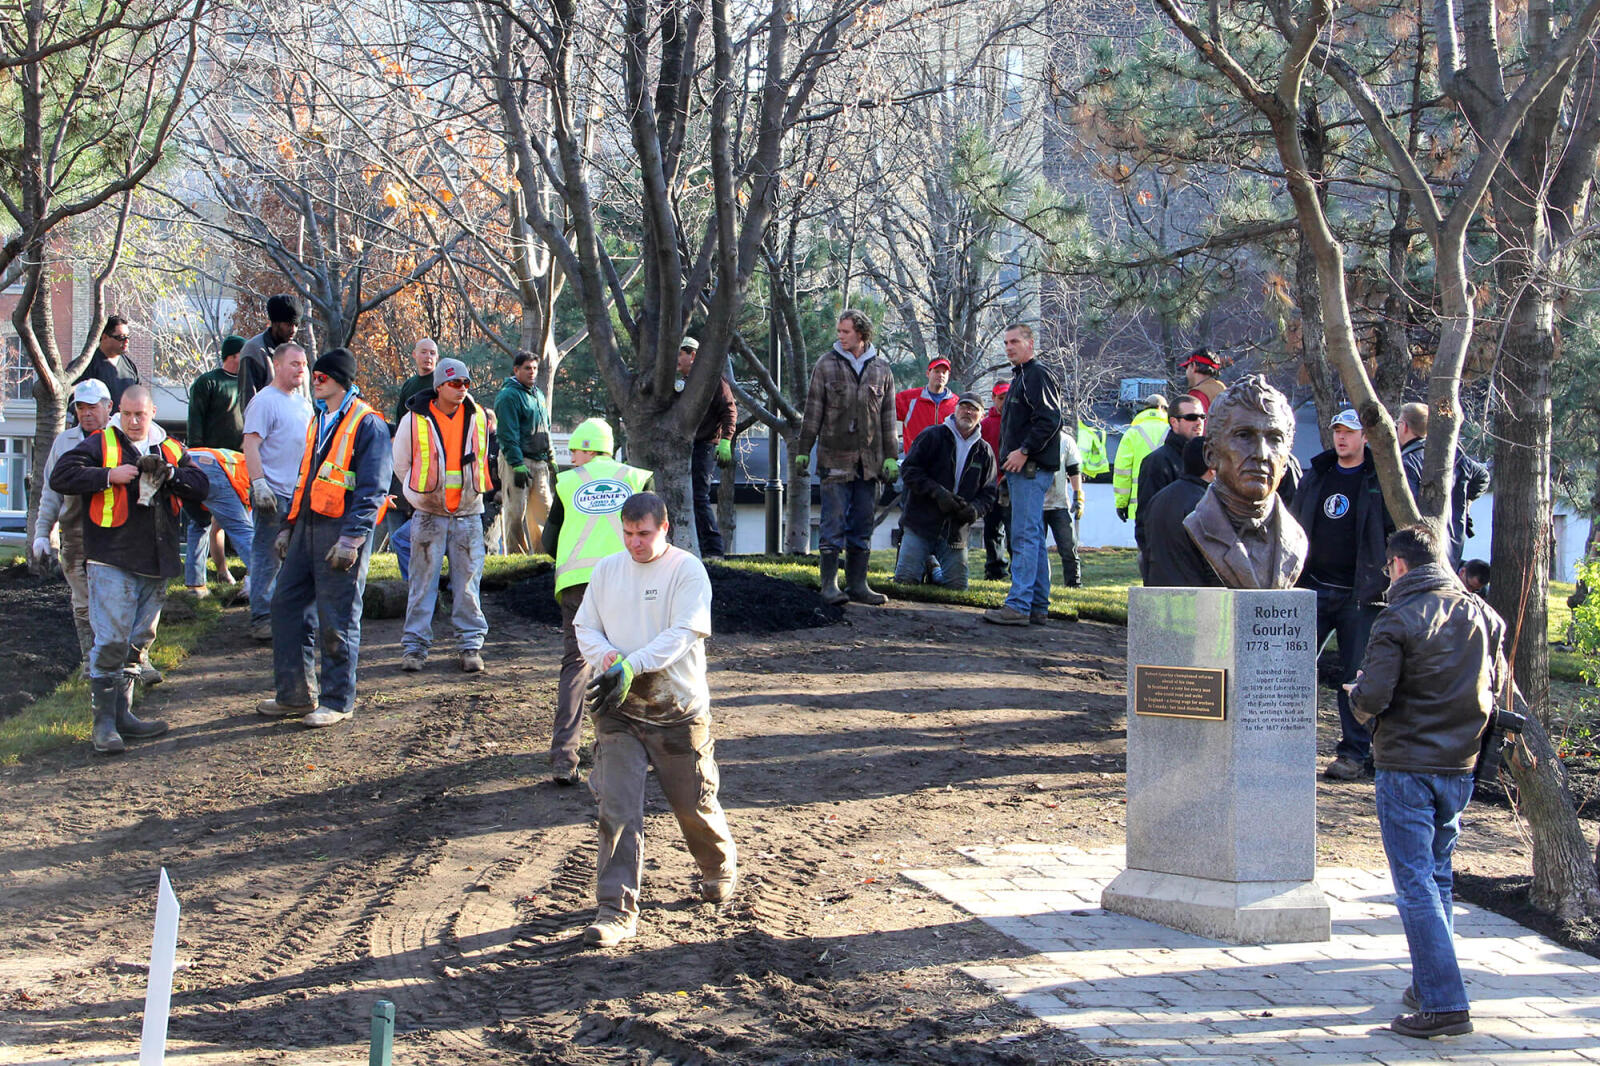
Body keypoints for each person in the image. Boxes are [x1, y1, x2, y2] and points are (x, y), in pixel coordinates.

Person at [1348, 524, 1504, 1040]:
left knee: (1415, 883)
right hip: (1460, 765)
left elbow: (1374, 696)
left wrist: (1356, 696)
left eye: (1387, 568)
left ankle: (1443, 1003)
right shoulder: (1483, 614)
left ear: (1398, 565)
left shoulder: (1398, 616)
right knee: (1437, 877)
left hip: (1407, 764)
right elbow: (1494, 684)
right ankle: (1430, 984)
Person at [574, 492, 737, 947]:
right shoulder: (607, 570)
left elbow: (684, 633)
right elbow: (584, 626)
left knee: (693, 805)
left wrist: (633, 665)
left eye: (643, 534)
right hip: (619, 710)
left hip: (676, 710)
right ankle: (615, 910)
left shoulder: (687, 571)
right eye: (627, 533)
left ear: (664, 527)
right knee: (617, 807)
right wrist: (608, 658)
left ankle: (717, 867)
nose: (634, 543)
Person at [49, 385, 208, 752]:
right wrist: (109, 475)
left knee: (137, 644)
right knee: (110, 641)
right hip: (112, 557)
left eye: (140, 414)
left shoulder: (169, 448)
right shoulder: (101, 443)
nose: (134, 421)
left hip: (156, 561)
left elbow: (201, 485)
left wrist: (171, 475)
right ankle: (104, 726)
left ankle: (124, 717)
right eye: (127, 414)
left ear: (152, 412)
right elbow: (61, 476)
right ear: (118, 411)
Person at [257, 348, 392, 728]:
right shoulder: (319, 420)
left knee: (337, 618)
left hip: (340, 532)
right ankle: (295, 694)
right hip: (307, 527)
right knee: (285, 605)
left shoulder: (368, 424)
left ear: (340, 380)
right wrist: (288, 526)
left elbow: (373, 488)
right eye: (314, 375)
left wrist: (352, 539)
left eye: (322, 376)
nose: (314, 381)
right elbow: (305, 479)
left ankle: (337, 700)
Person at [540, 417, 653, 786]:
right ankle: (634, 750)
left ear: (589, 450)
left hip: (577, 585)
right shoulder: (636, 478)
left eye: (575, 451)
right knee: (630, 661)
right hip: (626, 580)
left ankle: (563, 758)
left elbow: (548, 542)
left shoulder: (567, 483)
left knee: (576, 665)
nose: (572, 458)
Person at [1291, 407, 1394, 782]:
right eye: (1337, 430)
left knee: (1355, 676)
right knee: (1291, 670)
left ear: (1365, 436)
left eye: (1349, 431)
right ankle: (1286, 746)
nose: (1341, 437)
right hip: (1312, 588)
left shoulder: (1380, 479)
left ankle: (1353, 754)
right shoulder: (1317, 474)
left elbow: (1392, 532)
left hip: (1360, 595)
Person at [1145, 376, 1304, 589]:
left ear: (1286, 462)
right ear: (1211, 454)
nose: (1261, 454)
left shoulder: (1297, 539)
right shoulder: (1193, 526)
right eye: (1244, 435)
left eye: (1274, 438)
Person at [392, 358, 491, 673]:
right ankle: (414, 649)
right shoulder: (413, 420)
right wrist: (419, 497)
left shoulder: (478, 416)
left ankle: (470, 647)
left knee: (468, 586)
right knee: (422, 584)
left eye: (466, 383)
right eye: (455, 383)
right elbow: (401, 464)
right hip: (428, 515)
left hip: (468, 514)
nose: (462, 389)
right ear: (438, 387)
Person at [795, 309, 898, 606]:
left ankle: (858, 585)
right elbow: (813, 410)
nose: (840, 336)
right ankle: (829, 585)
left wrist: (891, 457)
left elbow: (888, 418)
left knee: (863, 523)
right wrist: (803, 450)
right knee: (833, 522)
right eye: (839, 331)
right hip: (834, 458)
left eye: (845, 332)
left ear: (861, 334)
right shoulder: (826, 365)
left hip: (870, 463)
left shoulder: (882, 369)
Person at [983, 323, 1063, 626]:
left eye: (1014, 341)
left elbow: (1050, 419)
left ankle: (1018, 604)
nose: (1008, 347)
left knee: (1025, 536)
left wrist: (1024, 450)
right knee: (1032, 536)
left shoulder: (1035, 375)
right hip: (1026, 469)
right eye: (1006, 342)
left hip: (1030, 468)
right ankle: (1037, 605)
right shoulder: (1023, 377)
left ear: (1030, 343)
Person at [32, 379, 114, 663]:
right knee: (83, 603)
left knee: (115, 601)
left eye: (92, 407)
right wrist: (42, 533)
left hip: (114, 535)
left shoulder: (120, 438)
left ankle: (126, 660)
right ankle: (91, 663)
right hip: (75, 534)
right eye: (80, 407)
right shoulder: (64, 442)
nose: (86, 413)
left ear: (108, 407)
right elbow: (51, 491)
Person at [242, 343, 314, 640]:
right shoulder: (264, 401)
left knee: (293, 557)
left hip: (297, 494)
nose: (301, 369)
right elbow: (250, 444)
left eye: (304, 364)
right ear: (278, 365)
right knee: (267, 554)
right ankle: (261, 617)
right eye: (294, 363)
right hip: (272, 492)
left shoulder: (304, 404)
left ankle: (285, 613)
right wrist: (259, 483)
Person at [893, 393, 997, 590]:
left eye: (974, 409)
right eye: (964, 406)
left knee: (957, 587)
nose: (968, 412)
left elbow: (989, 493)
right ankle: (927, 564)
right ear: (955, 410)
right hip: (920, 523)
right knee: (905, 581)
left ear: (982, 415)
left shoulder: (985, 452)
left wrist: (974, 510)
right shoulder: (932, 435)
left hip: (955, 530)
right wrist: (937, 493)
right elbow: (909, 470)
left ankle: (934, 569)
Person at [184, 334, 252, 595]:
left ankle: (203, 581)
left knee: (225, 522)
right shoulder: (208, 382)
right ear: (234, 356)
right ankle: (197, 582)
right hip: (210, 463)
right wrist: (194, 459)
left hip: (240, 464)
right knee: (208, 522)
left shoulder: (251, 385)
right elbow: (195, 421)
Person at [1397, 402, 1490, 567]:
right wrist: (1464, 501)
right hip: (1453, 544)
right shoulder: (1453, 456)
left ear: (1404, 427)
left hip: (1420, 550)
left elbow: (1408, 509)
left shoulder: (1408, 462)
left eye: (1398, 423)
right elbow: (1482, 477)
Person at [1134, 395, 1205, 580]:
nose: (1199, 422)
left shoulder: (1208, 458)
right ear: (1174, 422)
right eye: (1191, 417)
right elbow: (1146, 520)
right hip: (1167, 565)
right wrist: (1154, 563)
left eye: (1202, 417)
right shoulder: (1157, 462)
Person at [679, 337, 737, 558]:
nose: (675, 359)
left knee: (698, 497)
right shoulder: (682, 383)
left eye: (679, 354)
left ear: (692, 355)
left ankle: (713, 550)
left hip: (704, 445)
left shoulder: (713, 381)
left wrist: (726, 440)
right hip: (684, 447)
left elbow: (729, 410)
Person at [494, 350, 555, 554]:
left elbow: (545, 427)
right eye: (527, 368)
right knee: (515, 512)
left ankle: (543, 554)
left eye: (535, 368)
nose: (532, 372)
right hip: (517, 461)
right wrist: (516, 463)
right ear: (516, 370)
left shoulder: (538, 395)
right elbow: (506, 433)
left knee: (543, 510)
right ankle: (516, 556)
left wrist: (551, 456)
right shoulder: (508, 396)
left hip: (539, 462)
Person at [1139, 436, 1212, 558]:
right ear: (1212, 468)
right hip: (1186, 569)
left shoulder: (1159, 498)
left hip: (1159, 567)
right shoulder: (1203, 504)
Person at [237, 295, 303, 415]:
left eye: (296, 325)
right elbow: (248, 403)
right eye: (288, 324)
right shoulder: (254, 351)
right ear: (275, 323)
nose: (293, 330)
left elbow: (305, 397)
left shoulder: (297, 352)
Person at [1041, 424, 1086, 590]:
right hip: (1035, 504)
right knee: (1036, 549)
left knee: (1068, 546)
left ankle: (1074, 583)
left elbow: (1074, 469)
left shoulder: (1066, 441)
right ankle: (1040, 584)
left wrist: (1078, 496)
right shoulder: (1030, 439)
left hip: (1059, 504)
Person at [1112, 395, 1167, 525]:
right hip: (1167, 503)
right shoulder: (1172, 431)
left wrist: (1121, 504)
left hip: (1139, 503)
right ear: (1164, 409)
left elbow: (1122, 471)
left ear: (1144, 409)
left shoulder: (1132, 433)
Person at [74, 315, 141, 410]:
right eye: (121, 337)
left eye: (128, 337)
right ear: (105, 337)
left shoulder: (130, 367)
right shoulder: (84, 365)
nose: (126, 341)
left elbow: (139, 398)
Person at [980, 381, 1011, 579]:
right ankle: (995, 569)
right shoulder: (984, 425)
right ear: (993, 398)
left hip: (1011, 482)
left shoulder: (1017, 421)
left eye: (1007, 398)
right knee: (992, 528)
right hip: (991, 483)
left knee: (1013, 529)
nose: (1003, 402)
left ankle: (1018, 570)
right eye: (1000, 398)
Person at [896, 356, 959, 454]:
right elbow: (883, 414)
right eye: (936, 371)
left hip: (945, 460)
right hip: (915, 459)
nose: (941, 375)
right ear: (928, 373)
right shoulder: (908, 398)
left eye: (944, 372)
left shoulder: (956, 403)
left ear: (948, 375)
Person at [394, 338, 440, 425]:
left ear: (437, 357)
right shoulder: (408, 385)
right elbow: (401, 419)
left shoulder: (442, 383)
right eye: (424, 352)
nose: (428, 356)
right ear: (414, 354)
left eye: (432, 353)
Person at [1181, 347, 1225, 412]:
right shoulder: (1222, 387)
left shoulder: (1197, 394)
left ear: (1194, 366)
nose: (1186, 372)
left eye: (1187, 367)